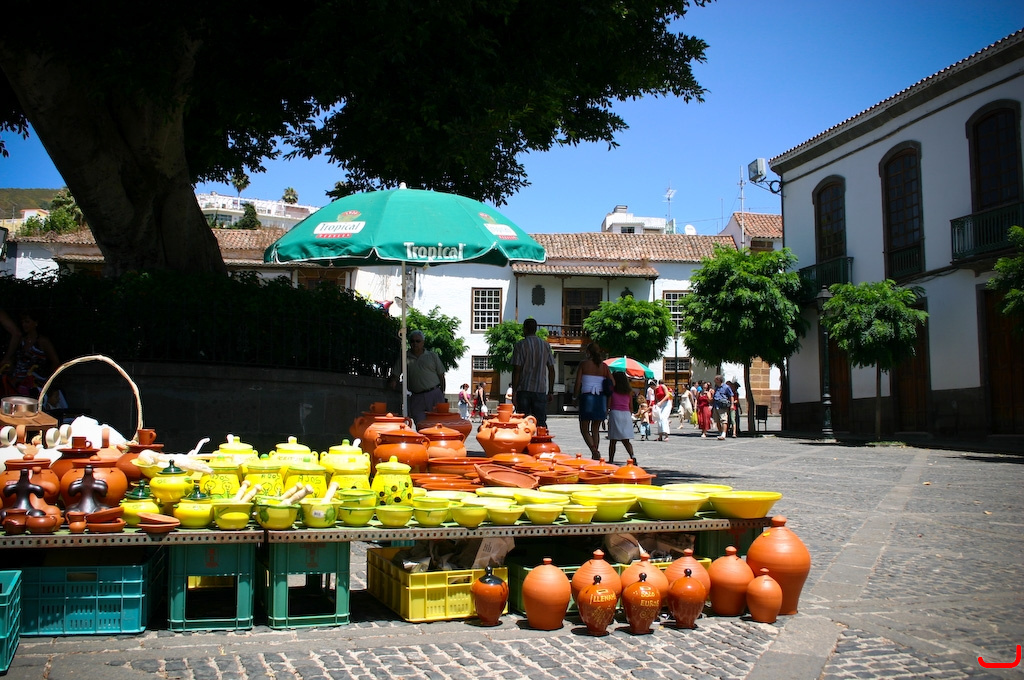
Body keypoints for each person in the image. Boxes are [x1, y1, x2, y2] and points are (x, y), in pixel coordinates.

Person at [1, 310, 62, 407]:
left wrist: (48, 379)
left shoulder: (42, 341)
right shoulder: (21, 341)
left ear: (35, 323)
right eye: (22, 322)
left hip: (35, 382)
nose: (24, 325)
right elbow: (15, 359)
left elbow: (55, 361)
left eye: (27, 322)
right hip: (17, 381)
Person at [386, 329, 445, 428]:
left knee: (437, 425)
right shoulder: (404, 357)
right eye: (412, 341)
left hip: (434, 394)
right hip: (416, 397)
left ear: (423, 342)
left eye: (418, 341)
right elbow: (395, 374)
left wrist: (442, 394)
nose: (415, 343)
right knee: (420, 426)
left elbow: (441, 376)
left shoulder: (432, 356)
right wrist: (393, 380)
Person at [510, 317, 555, 428]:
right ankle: (540, 438)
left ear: (525, 329)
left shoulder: (520, 345)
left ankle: (525, 439)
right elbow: (551, 369)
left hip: (524, 389)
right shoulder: (545, 345)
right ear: (535, 329)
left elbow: (517, 370)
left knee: (523, 422)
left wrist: (514, 391)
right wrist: (550, 391)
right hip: (540, 389)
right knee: (540, 422)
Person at [574, 342, 612, 459]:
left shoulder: (584, 364)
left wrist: (574, 397)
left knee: (584, 428)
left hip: (587, 397)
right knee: (595, 429)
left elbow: (578, 382)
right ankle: (595, 452)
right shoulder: (604, 366)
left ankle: (594, 450)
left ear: (588, 352)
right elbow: (612, 383)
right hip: (601, 398)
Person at [606, 371, 636, 463]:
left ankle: (611, 460)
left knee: (613, 440)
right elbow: (631, 407)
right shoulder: (628, 391)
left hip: (615, 413)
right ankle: (632, 456)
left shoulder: (612, 390)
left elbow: (609, 404)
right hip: (626, 414)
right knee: (626, 440)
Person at [711, 375, 734, 441]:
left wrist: (732, 405)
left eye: (715, 379)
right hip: (716, 405)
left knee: (724, 420)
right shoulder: (716, 387)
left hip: (722, 406)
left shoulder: (726, 387)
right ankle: (720, 433)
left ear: (718, 380)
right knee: (717, 420)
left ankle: (724, 434)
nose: (714, 380)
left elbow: (731, 396)